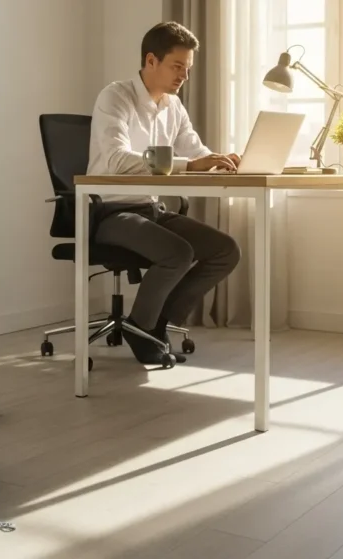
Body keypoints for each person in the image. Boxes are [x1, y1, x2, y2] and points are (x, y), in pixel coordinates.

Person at [87, 21, 242, 365]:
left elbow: (196, 153)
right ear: (151, 60)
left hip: (149, 208)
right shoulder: (116, 96)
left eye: (187, 69)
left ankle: (155, 323)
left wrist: (220, 161)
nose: (183, 76)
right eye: (177, 66)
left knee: (225, 250)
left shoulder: (173, 106)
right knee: (178, 252)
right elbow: (117, 159)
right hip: (109, 211)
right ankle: (140, 328)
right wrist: (190, 165)